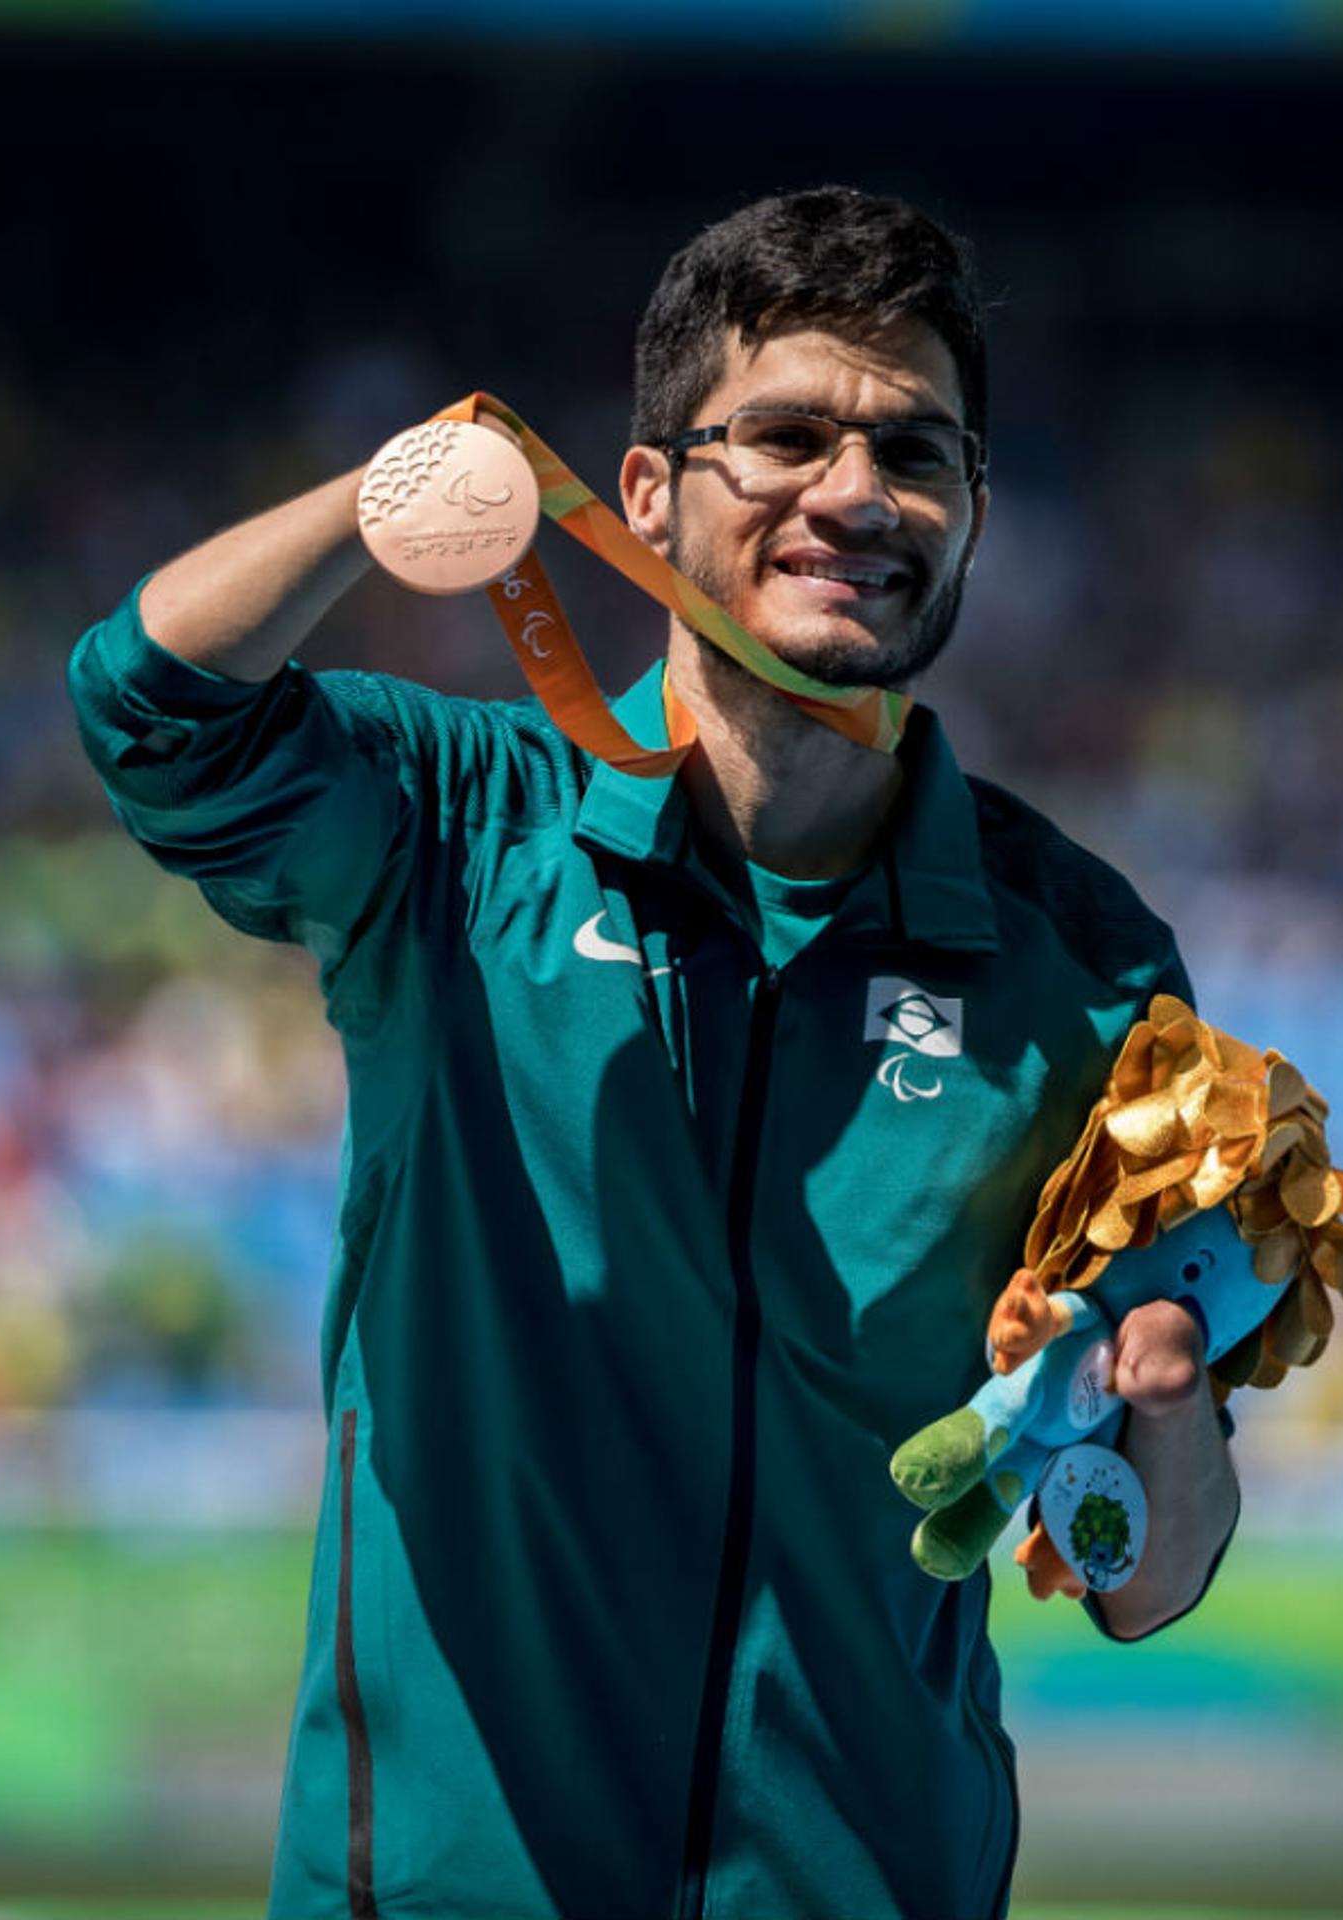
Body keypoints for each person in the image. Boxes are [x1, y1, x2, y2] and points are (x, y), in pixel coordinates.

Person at [68, 186, 1238, 1920]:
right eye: (784, 436)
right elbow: (148, 712)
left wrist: (1168, 1401)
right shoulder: (461, 831)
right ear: (641, 494)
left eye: (918, 453)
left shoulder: (1087, 960)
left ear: (975, 516)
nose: (856, 493)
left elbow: (1144, 1581)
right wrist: (390, 497)